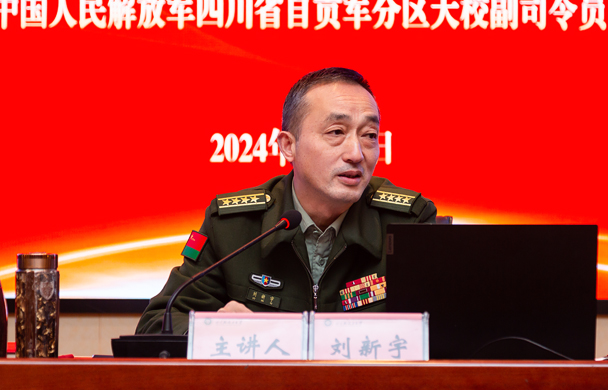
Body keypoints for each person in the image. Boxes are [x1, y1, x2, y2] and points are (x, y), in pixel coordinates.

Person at [136, 67, 437, 334]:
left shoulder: (409, 222)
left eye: (370, 135)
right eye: (336, 132)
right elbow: (158, 323)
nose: (357, 154)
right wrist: (214, 329)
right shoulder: (233, 226)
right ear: (288, 146)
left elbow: (445, 333)